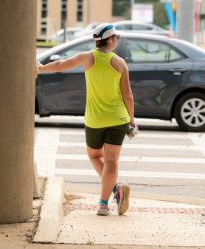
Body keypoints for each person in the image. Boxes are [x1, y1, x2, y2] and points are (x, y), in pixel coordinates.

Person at [36, 23, 136, 216]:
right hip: (118, 118)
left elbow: (59, 66)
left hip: (94, 119)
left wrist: (40, 69)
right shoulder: (120, 63)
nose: (117, 40)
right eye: (116, 37)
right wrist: (131, 121)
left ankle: (114, 192)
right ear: (110, 39)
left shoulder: (86, 57)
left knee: (94, 156)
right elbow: (128, 95)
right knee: (112, 160)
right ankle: (104, 203)